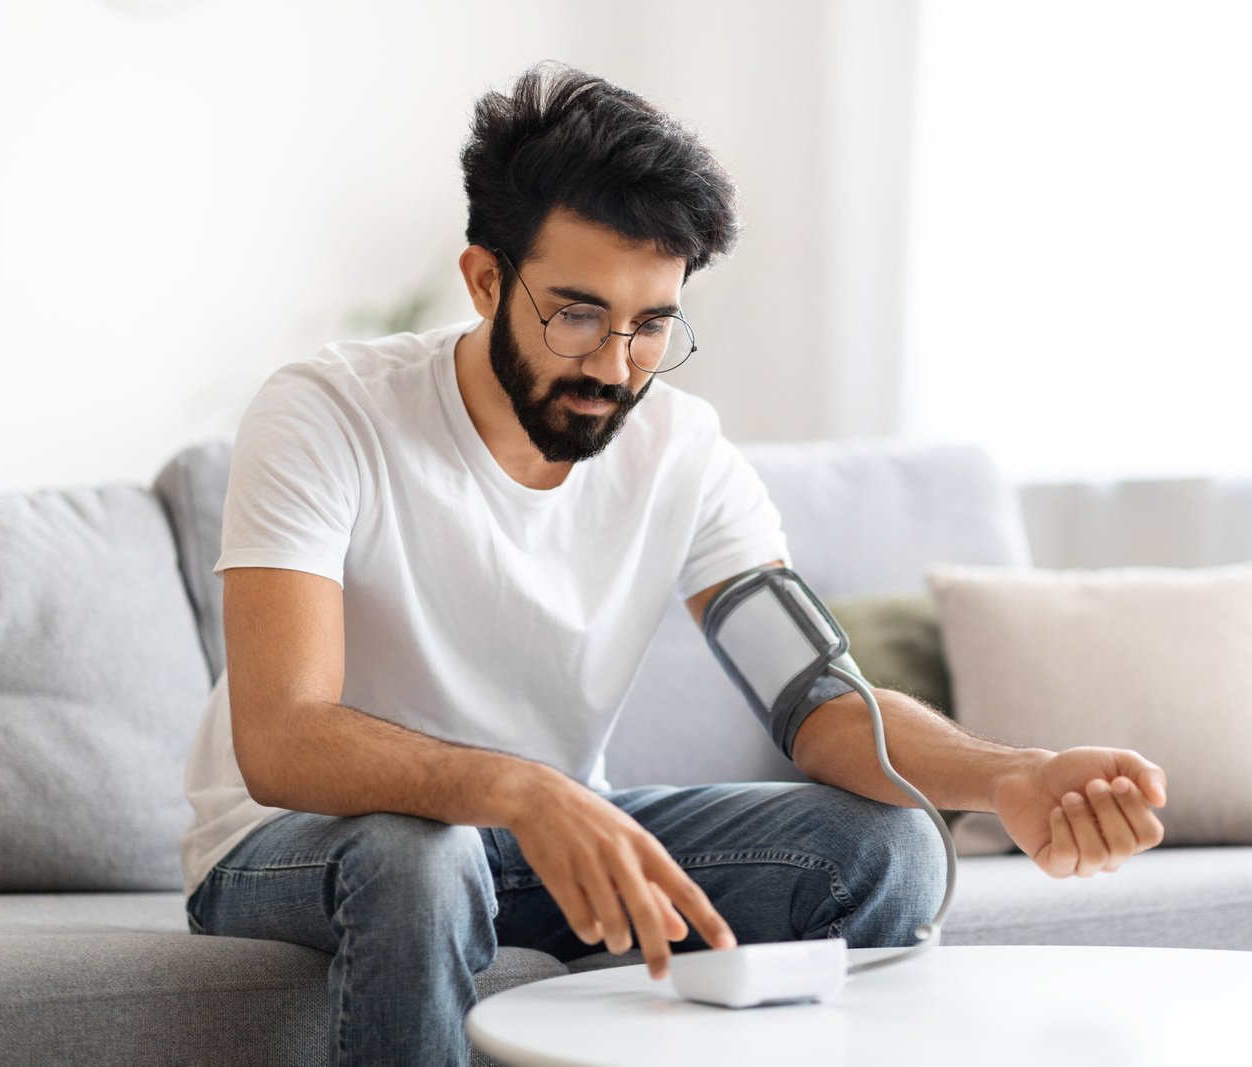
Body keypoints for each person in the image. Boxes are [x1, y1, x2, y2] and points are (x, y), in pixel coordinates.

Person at [180, 60, 1169, 1066]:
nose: (614, 365)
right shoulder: (327, 413)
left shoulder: (684, 454)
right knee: (421, 854)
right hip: (305, 842)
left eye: (650, 323)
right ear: (485, 279)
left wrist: (1013, 775)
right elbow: (283, 736)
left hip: (543, 832)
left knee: (890, 846)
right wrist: (527, 790)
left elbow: (819, 703)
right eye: (576, 313)